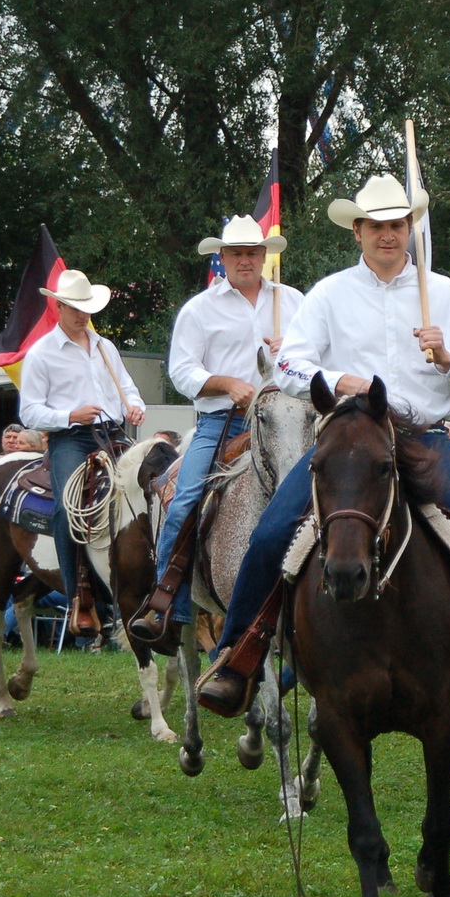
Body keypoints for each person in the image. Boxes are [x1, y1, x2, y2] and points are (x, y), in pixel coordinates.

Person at [197, 174, 450, 730]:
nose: (387, 235)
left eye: (397, 225)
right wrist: (343, 379)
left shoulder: (442, 293)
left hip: (423, 437)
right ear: (357, 231)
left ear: (410, 229)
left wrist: (449, 358)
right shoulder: (329, 293)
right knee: (269, 534)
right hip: (349, 439)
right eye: (376, 225)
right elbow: (288, 367)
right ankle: (239, 657)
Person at [127, 215, 303, 642]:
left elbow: (322, 358)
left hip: (290, 417)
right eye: (237, 253)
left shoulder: (294, 301)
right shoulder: (200, 309)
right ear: (222, 258)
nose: (245, 260)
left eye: (253, 253)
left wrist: (294, 351)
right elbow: (182, 371)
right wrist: (226, 383)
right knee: (184, 499)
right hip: (223, 422)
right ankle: (169, 604)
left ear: (265, 256)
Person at [17, 269, 146, 627]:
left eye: (86, 307)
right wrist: (70, 415)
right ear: (58, 306)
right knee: (66, 508)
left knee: (150, 489)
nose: (82, 314)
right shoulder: (42, 354)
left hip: (115, 432)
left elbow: (127, 388)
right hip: (71, 438)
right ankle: (79, 597)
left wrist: (136, 406)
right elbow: (29, 411)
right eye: (74, 307)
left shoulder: (106, 346)